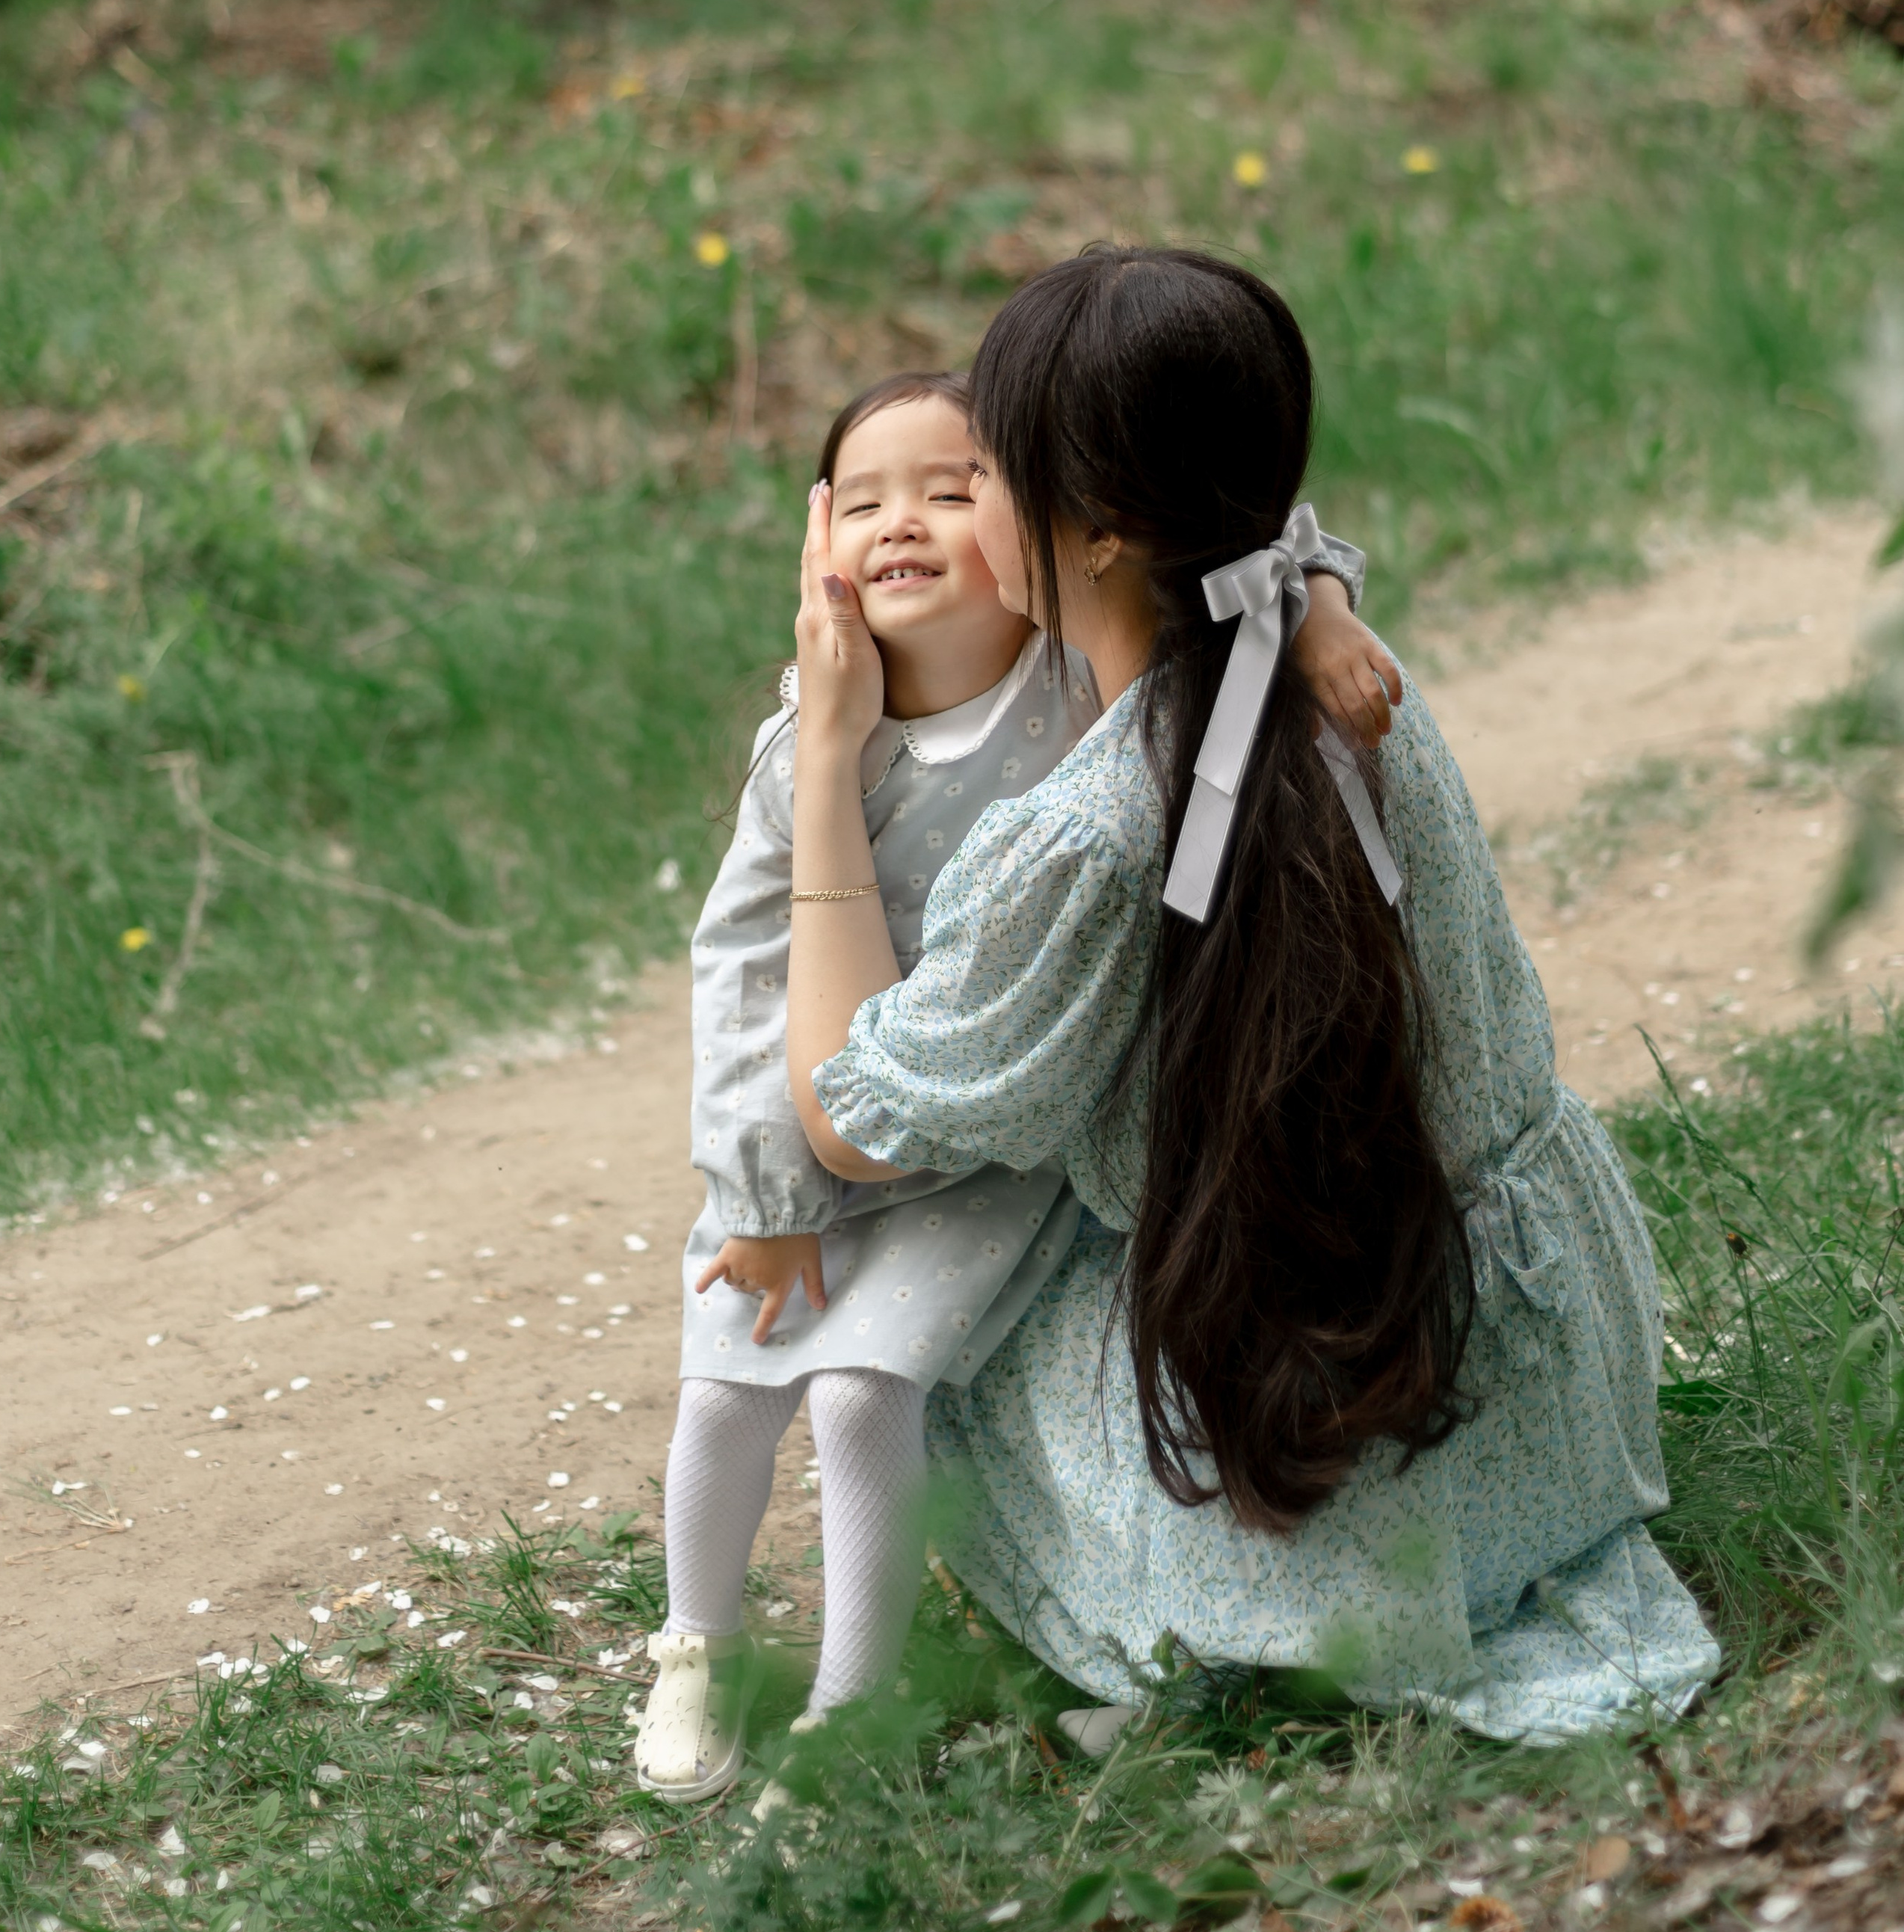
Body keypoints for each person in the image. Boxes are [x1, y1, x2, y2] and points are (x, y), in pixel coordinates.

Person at [786, 252, 1721, 1746]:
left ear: (1094, 528)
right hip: (1537, 1360)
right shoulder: (1335, 662)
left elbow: (850, 1115)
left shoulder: (1090, 832)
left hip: (1320, 1456)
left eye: (981, 475)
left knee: (936, 1301)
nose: (955, 511)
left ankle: (1207, 1635)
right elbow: (1287, 539)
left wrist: (823, 772)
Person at [635, 366, 1395, 1800]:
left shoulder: (1071, 675)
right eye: (862, 502)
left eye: (947, 487)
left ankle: (852, 1706)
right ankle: (695, 1644)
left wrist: (1325, 620)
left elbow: (1255, 545)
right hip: (795, 1147)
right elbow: (738, 972)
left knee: (864, 1393)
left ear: (1036, 518)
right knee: (729, 1385)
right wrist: (761, 1187)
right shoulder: (807, 743)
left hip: (984, 1151)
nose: (902, 521)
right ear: (818, 545)